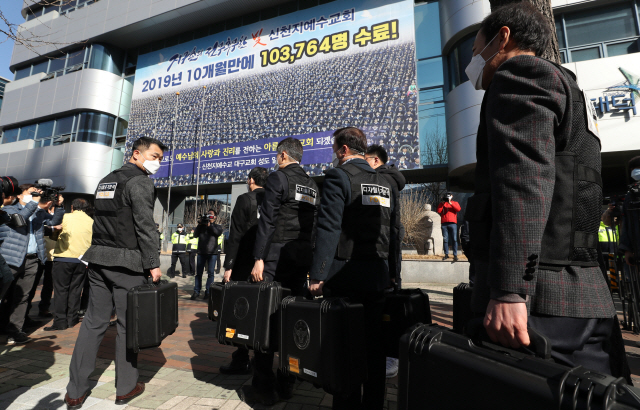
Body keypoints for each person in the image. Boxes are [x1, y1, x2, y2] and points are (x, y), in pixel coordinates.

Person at [465, 3, 622, 378]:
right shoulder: (568, 85)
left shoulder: (520, 73)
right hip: (584, 297)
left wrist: (509, 291)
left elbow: (522, 181)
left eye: (474, 52)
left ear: (503, 38)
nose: (472, 63)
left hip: (536, 304)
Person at [64, 137, 165, 408]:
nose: (158, 163)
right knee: (127, 327)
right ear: (136, 154)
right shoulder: (140, 182)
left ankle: (75, 391)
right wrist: (153, 263)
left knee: (93, 323)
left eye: (160, 159)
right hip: (127, 264)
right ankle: (126, 387)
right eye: (154, 156)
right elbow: (145, 226)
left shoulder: (106, 180)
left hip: (98, 260)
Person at [309, 127, 395, 410]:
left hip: (346, 276)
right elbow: (395, 232)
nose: (334, 155)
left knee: (345, 350)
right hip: (378, 276)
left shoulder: (339, 176)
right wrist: (393, 274)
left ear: (344, 150)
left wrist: (318, 273)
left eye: (335, 149)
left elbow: (329, 226)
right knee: (374, 349)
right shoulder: (385, 181)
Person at [244, 138, 319, 405]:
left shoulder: (278, 178)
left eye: (277, 156)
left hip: (275, 257)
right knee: (293, 318)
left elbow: (268, 220)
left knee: (265, 319)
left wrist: (259, 258)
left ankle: (263, 387)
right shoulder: (311, 184)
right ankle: (287, 381)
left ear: (282, 155)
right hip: (300, 258)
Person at [0, 184, 64, 344]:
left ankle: (15, 331)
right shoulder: (8, 210)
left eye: (37, 193)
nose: (35, 195)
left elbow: (55, 220)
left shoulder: (37, 211)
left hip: (32, 260)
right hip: (11, 259)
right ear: (20, 195)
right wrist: (34, 201)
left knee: (23, 296)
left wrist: (58, 205)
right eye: (31, 193)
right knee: (4, 296)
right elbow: (21, 219)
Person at [219, 166, 268, 376]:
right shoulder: (273, 200)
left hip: (244, 264)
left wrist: (228, 266)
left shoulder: (245, 199)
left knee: (241, 312)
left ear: (251, 180)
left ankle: (241, 360)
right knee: (263, 311)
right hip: (266, 263)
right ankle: (260, 359)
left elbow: (236, 235)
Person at [364, 144, 406, 379]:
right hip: (388, 250)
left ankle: (390, 355)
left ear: (376, 160)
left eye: (366, 159)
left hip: (384, 250)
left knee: (386, 307)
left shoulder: (383, 181)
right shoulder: (390, 180)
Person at [45, 198, 93, 331]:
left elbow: (54, 235)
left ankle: (60, 321)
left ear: (72, 207)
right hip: (82, 260)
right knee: (76, 290)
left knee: (61, 290)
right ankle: (72, 319)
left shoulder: (65, 217)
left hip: (63, 257)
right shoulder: (91, 221)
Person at [192, 209, 222, 300]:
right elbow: (195, 235)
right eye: (208, 214)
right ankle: (196, 291)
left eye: (211, 214)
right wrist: (200, 224)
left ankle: (208, 292)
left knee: (210, 273)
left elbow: (217, 233)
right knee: (199, 274)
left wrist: (211, 224)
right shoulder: (202, 226)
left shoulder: (217, 226)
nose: (209, 216)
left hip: (212, 253)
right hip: (201, 252)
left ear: (215, 217)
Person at [620, 156, 640, 266]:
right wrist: (627, 250)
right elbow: (626, 223)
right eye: (633, 169)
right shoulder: (630, 195)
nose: (636, 172)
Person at [437, 192, 461, 261]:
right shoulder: (442, 203)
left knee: (454, 239)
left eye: (449, 196)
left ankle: (455, 255)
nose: (448, 197)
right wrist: (442, 203)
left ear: (452, 196)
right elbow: (439, 211)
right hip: (444, 223)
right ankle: (446, 254)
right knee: (445, 240)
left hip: (453, 223)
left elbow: (458, 209)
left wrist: (451, 203)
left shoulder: (455, 203)